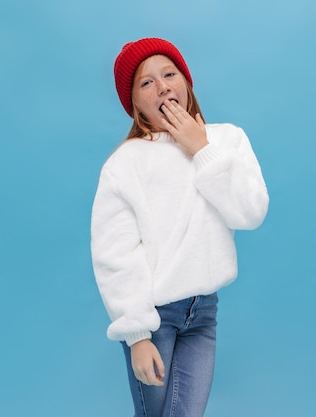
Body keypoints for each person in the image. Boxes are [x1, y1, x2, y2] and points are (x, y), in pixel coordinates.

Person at [90, 37, 269, 417]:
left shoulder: (227, 140)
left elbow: (250, 212)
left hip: (203, 313)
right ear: (134, 104)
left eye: (169, 73)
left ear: (187, 81)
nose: (162, 85)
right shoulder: (126, 164)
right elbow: (115, 253)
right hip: (154, 316)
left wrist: (201, 149)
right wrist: (137, 334)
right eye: (146, 82)